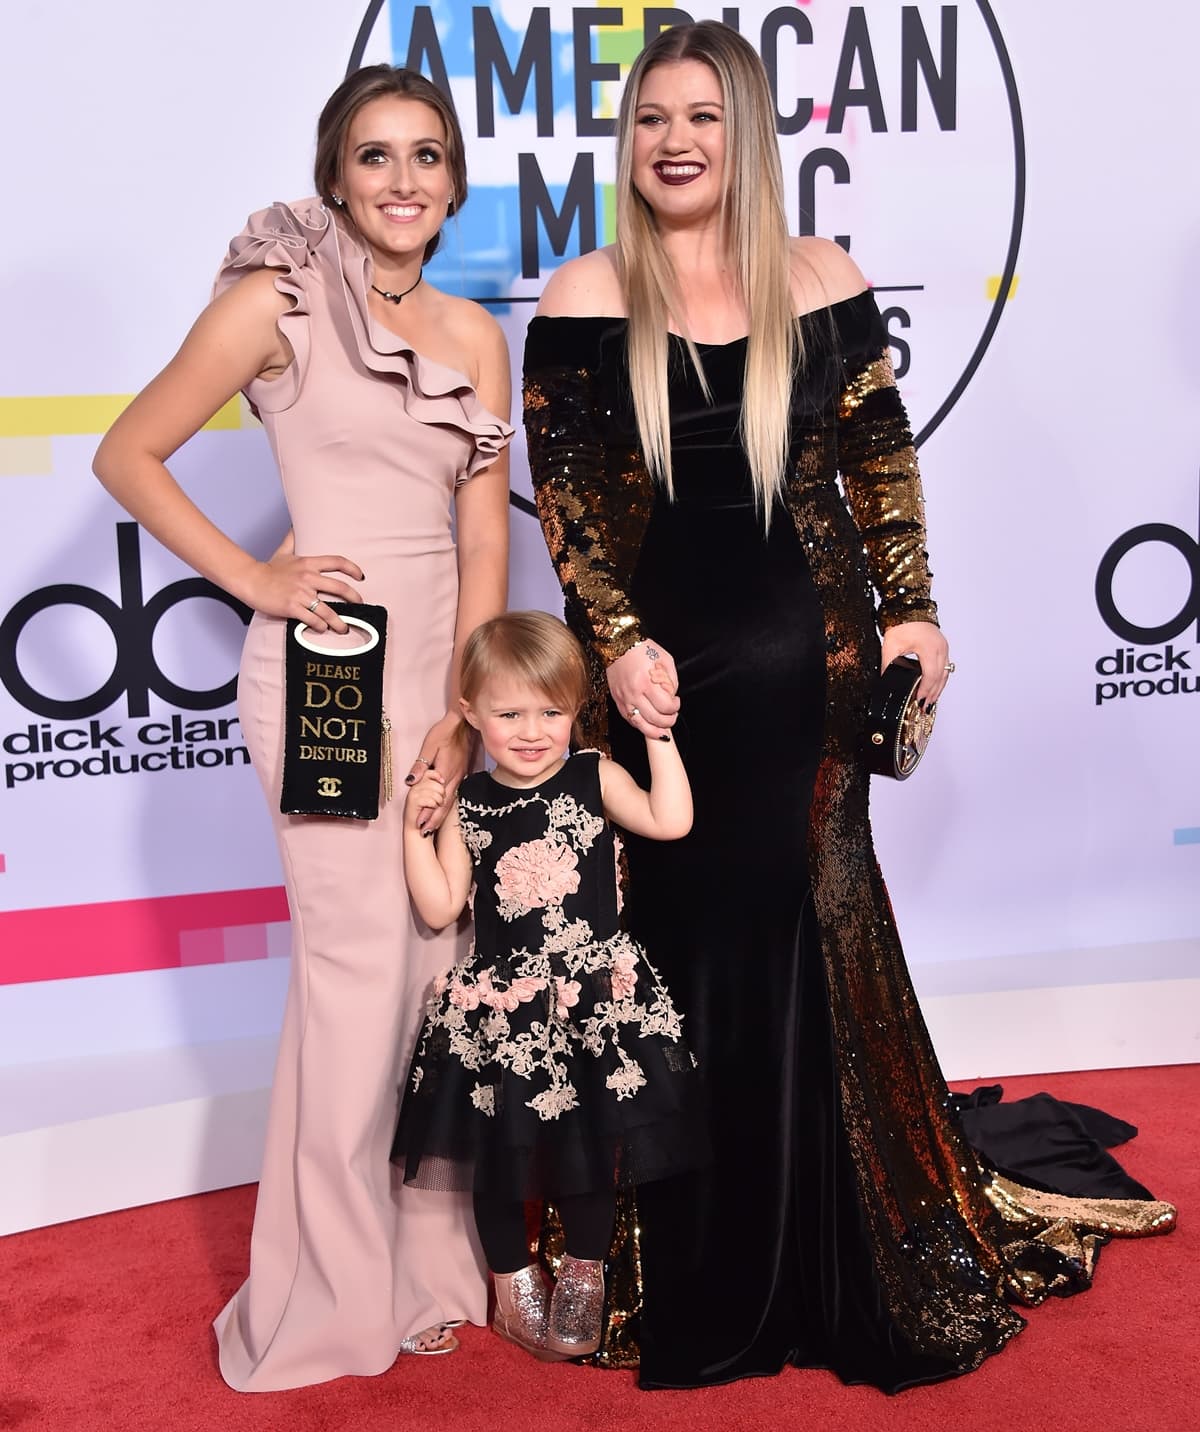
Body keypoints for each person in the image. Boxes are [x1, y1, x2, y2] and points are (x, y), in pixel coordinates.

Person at [523, 21, 1175, 1393]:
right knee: (685, 948)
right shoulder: (584, 296)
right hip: (664, 705)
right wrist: (619, 647)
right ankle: (692, 1260)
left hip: (815, 691)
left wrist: (917, 615)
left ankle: (851, 1245)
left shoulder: (822, 278)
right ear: (625, 139)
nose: (676, 141)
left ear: (747, 132)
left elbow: (877, 469)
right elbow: (577, 515)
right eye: (651, 119)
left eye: (703, 116)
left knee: (820, 935)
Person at [93, 66, 514, 1391]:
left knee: (437, 976)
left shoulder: (472, 335)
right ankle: (330, 1295)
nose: (402, 180)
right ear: (337, 175)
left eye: (427, 156)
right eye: (375, 155)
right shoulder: (274, 301)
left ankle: (431, 1270)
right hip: (327, 680)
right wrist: (256, 576)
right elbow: (127, 452)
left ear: (453, 183)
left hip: (436, 690)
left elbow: (485, 533)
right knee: (352, 983)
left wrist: (466, 709)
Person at [390, 610, 704, 1360]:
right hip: (501, 1013)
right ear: (470, 713)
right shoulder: (472, 801)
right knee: (497, 1158)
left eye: (551, 712)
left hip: (592, 1001)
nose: (532, 732)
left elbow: (671, 822)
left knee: (589, 1150)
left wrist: (658, 735)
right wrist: (413, 832)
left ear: (576, 710)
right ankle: (511, 1281)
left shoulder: (594, 772)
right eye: (508, 713)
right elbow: (439, 908)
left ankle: (585, 1274)